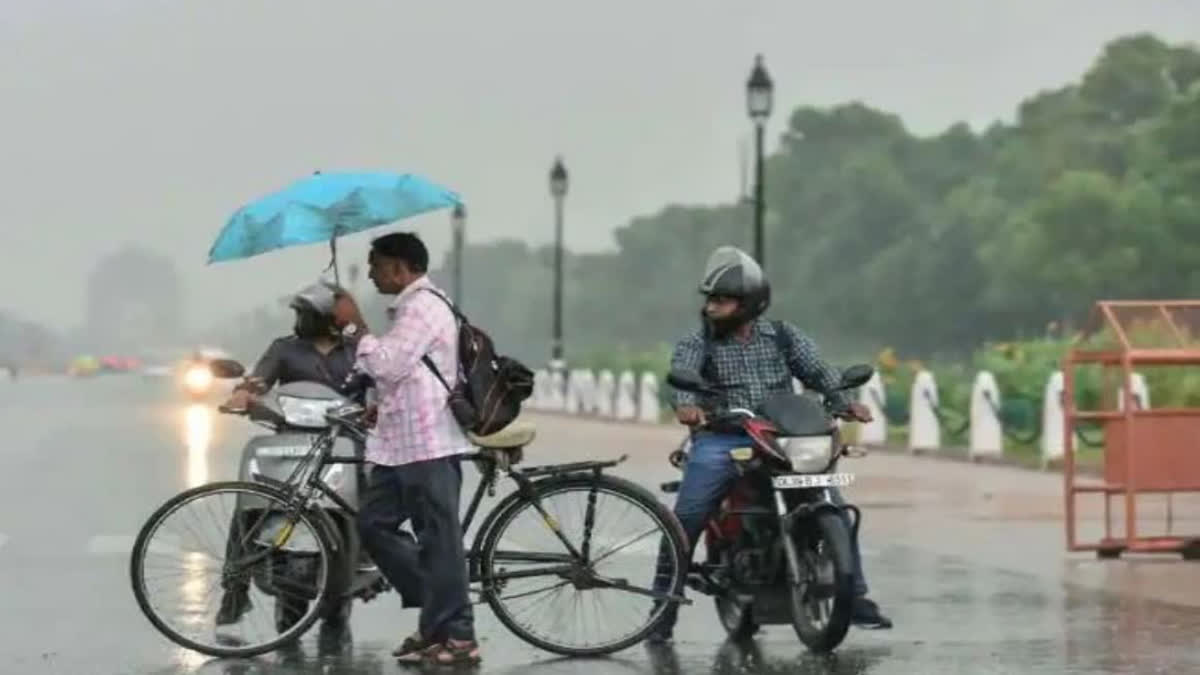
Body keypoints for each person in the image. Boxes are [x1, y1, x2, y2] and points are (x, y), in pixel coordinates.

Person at [648, 246, 892, 644]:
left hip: (782, 437)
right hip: (724, 437)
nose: (711, 307)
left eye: (722, 300)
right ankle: (662, 606)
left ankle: (856, 596)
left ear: (749, 303)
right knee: (686, 517)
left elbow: (817, 370)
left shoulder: (782, 336)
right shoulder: (699, 342)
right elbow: (683, 374)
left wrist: (843, 401)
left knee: (832, 502)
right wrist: (687, 405)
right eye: (710, 300)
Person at [332, 232, 480, 667]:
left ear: (400, 268)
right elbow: (400, 376)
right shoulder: (408, 309)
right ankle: (437, 616)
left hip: (428, 443)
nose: (373, 272)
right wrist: (377, 406)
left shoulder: (423, 307)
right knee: (374, 525)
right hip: (399, 445)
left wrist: (355, 325)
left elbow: (388, 364)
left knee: (440, 542)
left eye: (377, 265)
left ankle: (458, 635)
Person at [215, 280, 362, 628]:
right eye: (299, 313)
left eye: (307, 314)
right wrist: (245, 394)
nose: (300, 320)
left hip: (344, 443)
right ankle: (235, 587)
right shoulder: (284, 349)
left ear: (329, 317)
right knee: (250, 502)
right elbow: (258, 381)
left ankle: (368, 563)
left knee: (372, 501)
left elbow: (381, 386)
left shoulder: (358, 351)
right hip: (289, 442)